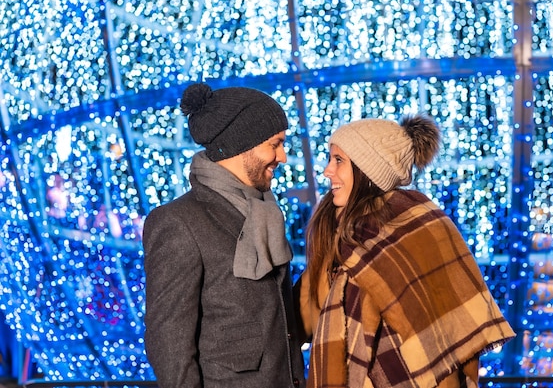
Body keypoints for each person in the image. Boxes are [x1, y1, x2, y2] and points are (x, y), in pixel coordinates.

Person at [296, 115, 516, 388]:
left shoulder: (419, 224)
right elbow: (306, 313)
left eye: (339, 160)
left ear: (368, 168)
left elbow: (446, 330)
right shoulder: (338, 235)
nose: (328, 171)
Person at [143, 83, 305, 388]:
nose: (282, 157)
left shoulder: (265, 212)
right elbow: (168, 339)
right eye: (275, 143)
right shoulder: (179, 221)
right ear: (242, 143)